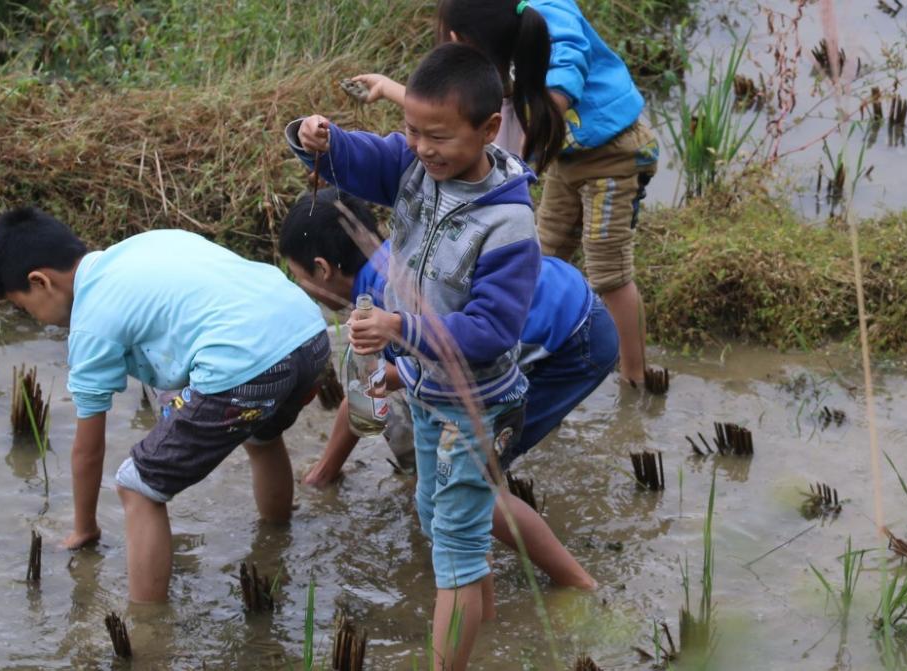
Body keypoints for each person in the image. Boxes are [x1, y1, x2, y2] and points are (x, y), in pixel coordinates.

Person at [287, 43, 541, 670]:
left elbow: (491, 329)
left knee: (452, 544)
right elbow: (363, 158)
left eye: (439, 137)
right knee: (441, 522)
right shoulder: (416, 166)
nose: (422, 149)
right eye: (412, 131)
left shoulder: (508, 225)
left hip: (478, 405)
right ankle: (479, 642)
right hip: (430, 393)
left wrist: (403, 326)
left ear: (487, 129)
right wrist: (317, 137)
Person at [0, 207, 329, 603]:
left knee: (138, 485)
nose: (35, 320)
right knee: (261, 438)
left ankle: (148, 627)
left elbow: (88, 450)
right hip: (308, 336)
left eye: (24, 308)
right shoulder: (143, 246)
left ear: (40, 281)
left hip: (248, 367)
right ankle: (276, 539)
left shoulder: (90, 321)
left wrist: (85, 528)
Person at [279, 188, 615, 590]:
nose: (303, 288)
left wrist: (388, 383)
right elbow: (371, 389)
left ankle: (577, 585)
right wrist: (325, 473)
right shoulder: (391, 258)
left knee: (464, 484)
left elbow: (418, 367)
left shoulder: (389, 301)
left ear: (322, 269)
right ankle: (477, 573)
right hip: (563, 300)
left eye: (299, 278)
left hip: (572, 343)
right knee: (450, 463)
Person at [353, 0, 660, 386]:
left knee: (608, 269)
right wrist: (390, 88)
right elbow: (451, 119)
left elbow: (568, 57)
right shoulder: (500, 76)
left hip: (614, 151)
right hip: (570, 156)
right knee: (541, 255)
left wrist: (553, 101)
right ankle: (548, 354)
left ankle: (635, 377)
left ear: (461, 39)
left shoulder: (541, 15)